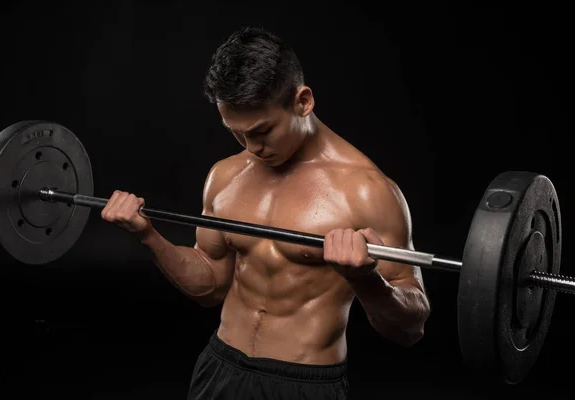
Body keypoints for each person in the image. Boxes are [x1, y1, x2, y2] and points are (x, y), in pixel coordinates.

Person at [100, 26, 431, 399]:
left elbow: (410, 328)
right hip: (221, 367)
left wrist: (367, 279)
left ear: (303, 101)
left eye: (262, 131)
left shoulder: (367, 191)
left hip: (303, 383)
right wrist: (146, 235)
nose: (252, 148)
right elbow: (210, 284)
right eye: (237, 134)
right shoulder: (225, 176)